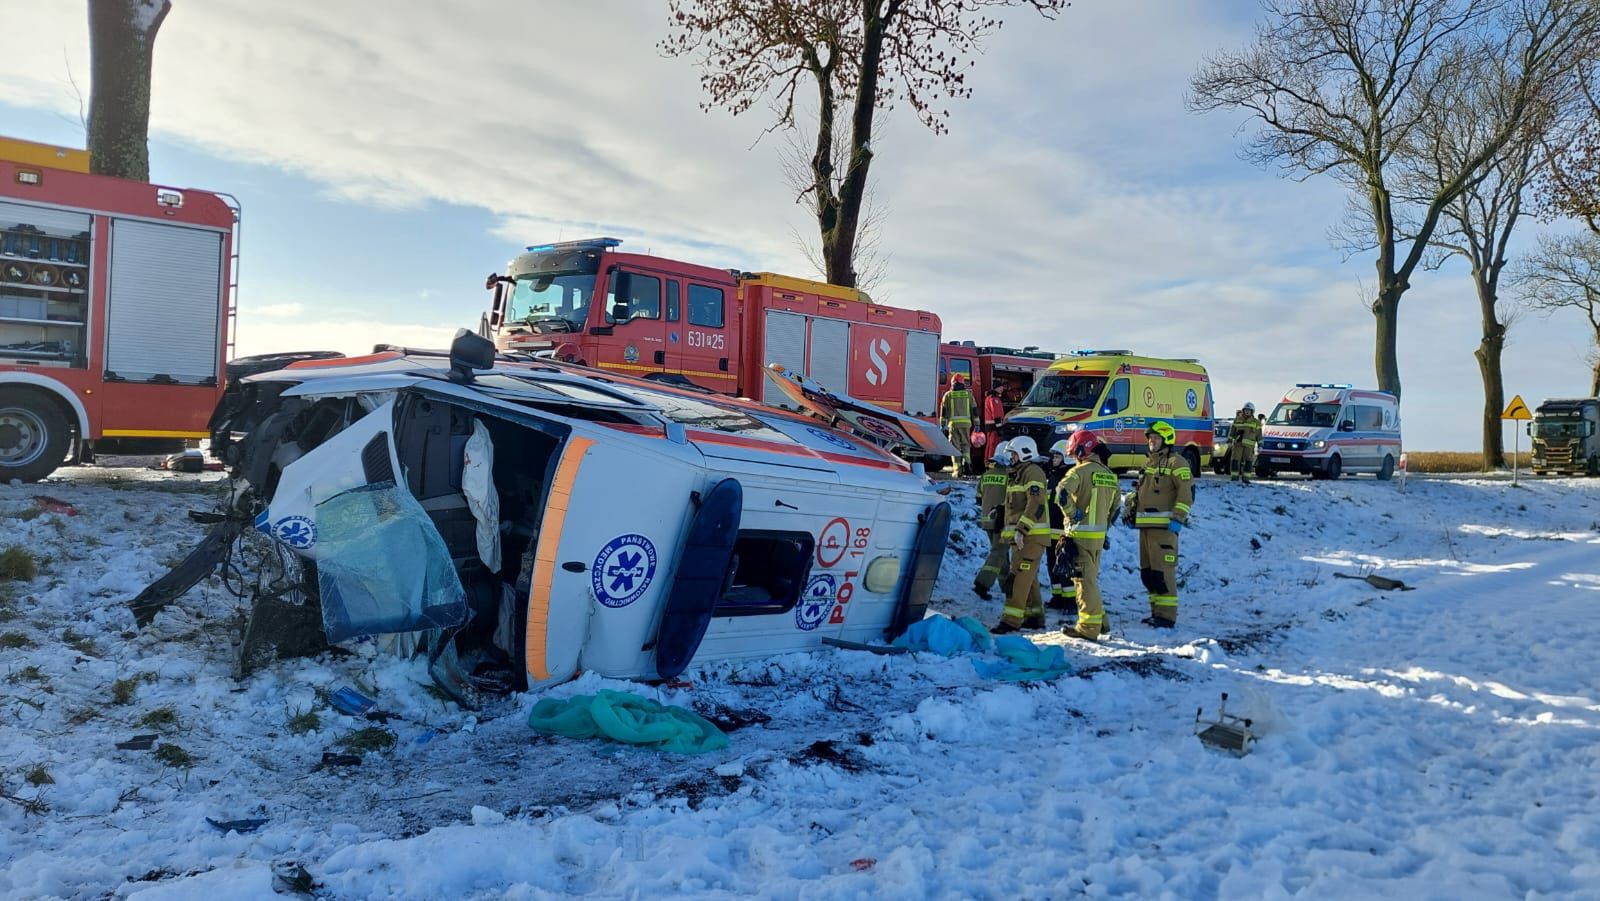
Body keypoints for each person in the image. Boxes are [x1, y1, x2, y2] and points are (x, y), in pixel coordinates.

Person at [1122, 421, 1193, 628]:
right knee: (1149, 574)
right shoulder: (1148, 464)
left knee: (1163, 574)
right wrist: (1129, 508)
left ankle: (1166, 617)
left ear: (1166, 440)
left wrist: (1178, 518)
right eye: (1150, 438)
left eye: (1155, 438)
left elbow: (1186, 493)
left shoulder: (1176, 463)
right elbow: (1138, 492)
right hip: (1145, 528)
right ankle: (1156, 612)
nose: (1151, 441)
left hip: (1165, 529)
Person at [1056, 431, 1122, 640]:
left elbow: (1061, 493)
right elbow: (1116, 508)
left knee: (1084, 582)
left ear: (1083, 449)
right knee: (1091, 580)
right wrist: (1105, 527)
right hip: (1098, 538)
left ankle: (1088, 628)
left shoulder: (1079, 472)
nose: (1074, 458)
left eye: (1075, 453)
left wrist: (1072, 513)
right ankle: (1102, 623)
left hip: (1079, 536)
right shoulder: (1110, 475)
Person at [994, 436, 1050, 634]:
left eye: (1014, 454)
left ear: (1025, 453)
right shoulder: (1018, 473)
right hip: (1022, 538)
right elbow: (1015, 505)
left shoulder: (1032, 472)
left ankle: (1011, 621)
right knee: (1029, 578)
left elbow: (1036, 504)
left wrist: (1021, 531)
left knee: (1018, 579)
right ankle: (1034, 617)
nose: (1011, 458)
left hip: (1030, 537)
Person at [973, 439, 1014, 600]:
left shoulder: (985, 476)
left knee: (1001, 555)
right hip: (1001, 522)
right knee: (998, 554)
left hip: (987, 521)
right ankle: (982, 583)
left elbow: (978, 498)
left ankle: (1006, 587)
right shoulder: (1009, 478)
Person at [1044, 439, 1077, 613]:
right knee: (1052, 565)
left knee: (1065, 566)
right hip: (1050, 528)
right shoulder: (1053, 475)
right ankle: (1057, 597)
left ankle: (1070, 601)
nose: (1054, 459)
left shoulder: (1070, 476)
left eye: (1057, 455)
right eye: (1054, 456)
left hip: (1064, 530)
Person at [940, 377, 975, 474]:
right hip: (966, 425)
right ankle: (967, 464)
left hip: (953, 425)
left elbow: (943, 412)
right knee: (966, 445)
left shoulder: (948, 395)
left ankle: (957, 470)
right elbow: (974, 410)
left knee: (955, 447)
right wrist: (977, 424)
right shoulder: (968, 395)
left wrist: (942, 425)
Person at [1229, 402, 1260, 483]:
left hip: (1249, 447)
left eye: (1249, 410)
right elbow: (1232, 431)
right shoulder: (1237, 420)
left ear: (1252, 411)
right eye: (1245, 410)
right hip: (1238, 444)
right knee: (1235, 460)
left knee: (1249, 462)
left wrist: (1260, 445)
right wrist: (1229, 440)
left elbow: (1259, 435)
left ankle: (1246, 478)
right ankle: (1234, 477)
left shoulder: (1256, 422)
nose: (1247, 412)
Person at [982, 387, 1006, 461]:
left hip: (990, 427)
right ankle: (991, 462)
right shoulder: (994, 399)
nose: (1002, 389)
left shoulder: (989, 398)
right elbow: (997, 414)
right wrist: (999, 428)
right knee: (994, 446)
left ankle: (987, 462)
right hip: (994, 427)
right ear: (997, 388)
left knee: (989, 445)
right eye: (1001, 387)